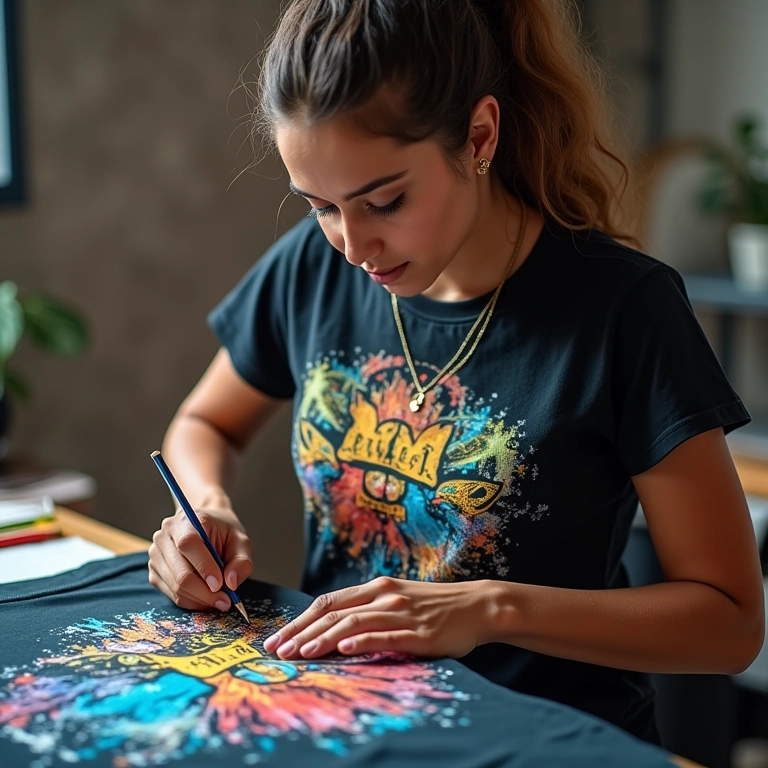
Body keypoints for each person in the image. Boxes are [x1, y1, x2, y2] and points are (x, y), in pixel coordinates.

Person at [147, 0, 764, 744]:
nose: (353, 245)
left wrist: (488, 608)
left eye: (385, 201)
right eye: (320, 207)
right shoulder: (312, 270)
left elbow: (729, 624)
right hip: (347, 726)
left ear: (479, 136)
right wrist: (204, 507)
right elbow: (206, 422)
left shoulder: (624, 309)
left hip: (548, 742)